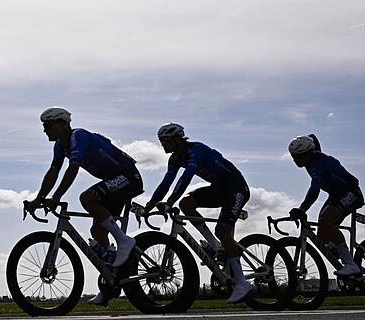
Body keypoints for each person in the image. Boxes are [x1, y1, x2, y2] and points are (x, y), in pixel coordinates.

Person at [24, 107, 142, 305]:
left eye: (48, 125)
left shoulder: (78, 136)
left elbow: (73, 168)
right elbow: (53, 172)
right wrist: (39, 198)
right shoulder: (60, 146)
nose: (44, 130)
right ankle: (110, 283)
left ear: (63, 124)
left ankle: (124, 241)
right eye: (43, 126)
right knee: (97, 231)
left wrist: (56, 197)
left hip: (128, 177)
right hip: (114, 180)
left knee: (87, 198)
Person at [144, 123, 252, 303]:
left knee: (223, 231)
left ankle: (242, 282)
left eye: (166, 141)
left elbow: (186, 177)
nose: (163, 145)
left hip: (236, 187)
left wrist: (169, 202)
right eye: (161, 141)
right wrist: (149, 206)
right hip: (219, 189)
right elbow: (166, 183)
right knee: (186, 204)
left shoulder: (197, 150)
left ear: (178, 139)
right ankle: (215, 246)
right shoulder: (174, 159)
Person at [288, 134, 364, 277]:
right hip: (336, 195)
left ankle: (350, 264)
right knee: (322, 236)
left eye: (298, 156)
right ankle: (339, 253)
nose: (295, 160)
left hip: (351, 193)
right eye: (293, 156)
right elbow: (313, 138)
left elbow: (314, 189)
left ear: (308, 153)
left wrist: (302, 208)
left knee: (326, 221)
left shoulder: (320, 163)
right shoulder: (310, 159)